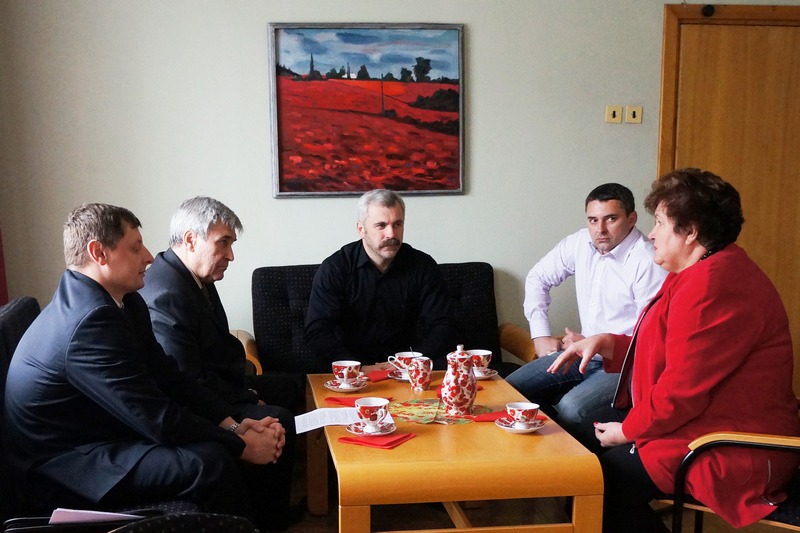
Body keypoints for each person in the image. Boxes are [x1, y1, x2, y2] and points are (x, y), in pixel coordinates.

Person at [3, 203, 296, 532]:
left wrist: (232, 425)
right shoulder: (89, 321)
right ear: (99, 253)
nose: (149, 257)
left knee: (212, 448)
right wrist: (241, 446)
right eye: (135, 247)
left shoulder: (124, 300)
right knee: (209, 463)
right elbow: (156, 418)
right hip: (64, 467)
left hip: (99, 435)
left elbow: (170, 377)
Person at [549, 169, 800, 532]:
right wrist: (611, 344)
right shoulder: (703, 272)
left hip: (734, 442)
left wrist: (628, 431)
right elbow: (672, 350)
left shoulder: (712, 285)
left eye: (660, 222)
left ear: (691, 231)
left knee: (603, 482)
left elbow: (681, 391)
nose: (651, 233)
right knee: (593, 459)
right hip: (704, 423)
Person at [505, 183, 666, 444]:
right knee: (510, 390)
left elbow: (650, 340)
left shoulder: (647, 262)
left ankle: (575, 464)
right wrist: (541, 336)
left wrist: (597, 342)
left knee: (571, 409)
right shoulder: (580, 242)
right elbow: (537, 278)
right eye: (593, 220)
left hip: (625, 365)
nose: (600, 229)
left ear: (631, 219)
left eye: (611, 219)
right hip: (582, 352)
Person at [140, 196, 301, 414]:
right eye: (223, 242)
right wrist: (246, 398)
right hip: (198, 403)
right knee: (280, 417)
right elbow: (187, 379)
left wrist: (245, 393)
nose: (231, 256)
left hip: (222, 383)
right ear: (190, 240)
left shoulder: (194, 274)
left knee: (293, 386)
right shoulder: (167, 296)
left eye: (231, 244)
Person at [304, 188, 457, 374]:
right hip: (351, 373)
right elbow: (317, 331)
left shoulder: (423, 265)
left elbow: (443, 325)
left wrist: (411, 362)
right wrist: (358, 368)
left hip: (408, 369)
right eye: (381, 226)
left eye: (397, 224)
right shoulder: (335, 268)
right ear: (361, 229)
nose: (391, 234)